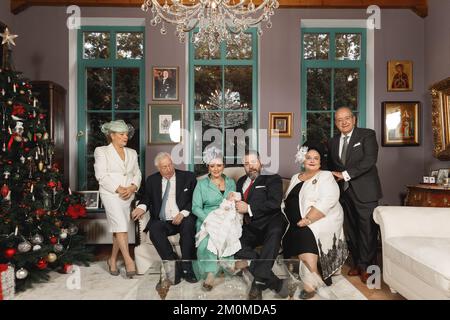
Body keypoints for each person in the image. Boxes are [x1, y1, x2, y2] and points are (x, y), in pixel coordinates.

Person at [282, 143, 347, 299]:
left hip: (316, 220)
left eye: (316, 158)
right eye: (308, 157)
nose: (312, 160)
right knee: (294, 234)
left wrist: (308, 219)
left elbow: (329, 199)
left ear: (320, 161)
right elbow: (287, 200)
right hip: (292, 222)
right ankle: (315, 278)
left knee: (304, 234)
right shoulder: (294, 177)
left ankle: (310, 284)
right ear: (302, 160)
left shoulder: (325, 176)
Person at [327, 107, 382, 284]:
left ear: (354, 119)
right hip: (345, 193)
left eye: (347, 118)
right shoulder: (333, 141)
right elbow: (331, 166)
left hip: (366, 191)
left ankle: (368, 267)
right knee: (352, 229)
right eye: (339, 120)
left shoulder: (367, 135)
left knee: (368, 229)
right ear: (336, 123)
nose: (344, 122)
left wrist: (345, 175)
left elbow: (369, 161)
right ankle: (359, 263)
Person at [131, 152, 197, 284]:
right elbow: (147, 198)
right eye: (164, 167)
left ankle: (187, 268)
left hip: (182, 218)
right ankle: (173, 267)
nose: (168, 169)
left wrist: (183, 213)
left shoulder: (188, 177)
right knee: (154, 230)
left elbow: (194, 199)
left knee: (189, 225)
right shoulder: (152, 180)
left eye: (170, 165)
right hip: (162, 220)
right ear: (158, 168)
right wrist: (141, 207)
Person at [234, 150, 290, 300]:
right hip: (250, 226)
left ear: (260, 163)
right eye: (246, 163)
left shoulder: (272, 178)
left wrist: (249, 208)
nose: (250, 166)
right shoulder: (240, 182)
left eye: (253, 162)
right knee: (235, 247)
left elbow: (274, 203)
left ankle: (257, 284)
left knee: (275, 231)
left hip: (271, 221)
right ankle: (276, 283)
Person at [94, 120, 142, 278]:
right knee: (121, 226)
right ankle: (128, 261)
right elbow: (101, 175)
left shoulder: (132, 153)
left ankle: (112, 259)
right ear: (112, 135)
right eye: (121, 134)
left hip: (128, 194)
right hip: (111, 194)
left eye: (126, 134)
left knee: (118, 227)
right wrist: (119, 188)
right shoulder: (101, 151)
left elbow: (137, 173)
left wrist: (132, 187)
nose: (125, 137)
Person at [192, 147, 237, 291]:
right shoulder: (201, 184)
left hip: (227, 218)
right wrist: (209, 220)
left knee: (227, 237)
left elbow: (234, 202)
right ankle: (210, 274)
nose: (216, 169)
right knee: (207, 241)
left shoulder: (231, 182)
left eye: (219, 165)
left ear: (224, 166)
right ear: (208, 167)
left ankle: (225, 268)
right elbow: (195, 207)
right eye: (212, 166)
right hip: (207, 218)